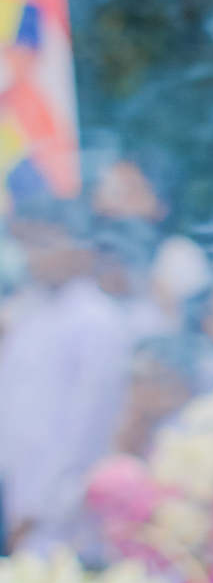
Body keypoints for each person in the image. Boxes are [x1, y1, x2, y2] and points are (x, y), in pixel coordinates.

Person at [0, 200, 135, 552]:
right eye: (28, 244)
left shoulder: (97, 320)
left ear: (82, 251)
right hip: (15, 493)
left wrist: (43, 507)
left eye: (45, 244)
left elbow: (88, 424)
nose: (32, 256)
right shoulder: (34, 312)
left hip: (60, 514)